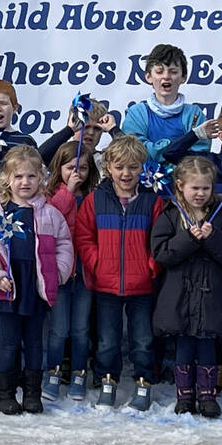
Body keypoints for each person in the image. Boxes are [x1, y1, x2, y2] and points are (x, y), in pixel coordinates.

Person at [0, 145, 75, 415]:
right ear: (7, 178)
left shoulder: (50, 213)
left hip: (36, 283)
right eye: (18, 177)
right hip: (7, 284)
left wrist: (59, 272)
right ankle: (4, 393)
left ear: (41, 178)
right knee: (8, 341)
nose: (25, 182)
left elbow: (64, 245)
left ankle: (32, 392)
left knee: (34, 341)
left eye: (31, 176)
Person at [75, 133, 165, 412]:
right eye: (120, 167)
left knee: (142, 339)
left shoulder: (153, 201)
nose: (126, 173)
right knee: (107, 339)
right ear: (108, 168)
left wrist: (151, 265)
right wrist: (97, 263)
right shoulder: (95, 199)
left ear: (143, 168)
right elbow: (83, 236)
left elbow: (159, 238)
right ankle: (107, 380)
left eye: (133, 167)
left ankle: (143, 382)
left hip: (142, 285)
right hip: (106, 284)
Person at [148, 155, 222, 417]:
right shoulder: (170, 215)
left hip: (211, 296)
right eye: (195, 188)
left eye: (206, 188)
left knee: (207, 344)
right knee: (185, 345)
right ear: (180, 186)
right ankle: (185, 395)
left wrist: (213, 238)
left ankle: (208, 395)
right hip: (179, 296)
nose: (200, 194)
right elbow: (162, 254)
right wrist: (188, 238)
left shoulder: (221, 217)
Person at [44, 138, 100, 402]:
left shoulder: (94, 197)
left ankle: (79, 372)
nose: (77, 173)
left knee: (80, 328)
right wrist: (67, 190)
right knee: (58, 328)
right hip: (60, 268)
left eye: (83, 168)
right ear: (59, 168)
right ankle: (53, 372)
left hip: (85, 270)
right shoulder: (50, 195)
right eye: (70, 167)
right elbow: (52, 218)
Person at [119, 43, 203, 159]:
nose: (166, 76)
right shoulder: (136, 114)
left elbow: (198, 157)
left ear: (183, 77)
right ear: (148, 77)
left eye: (173, 72)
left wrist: (157, 150)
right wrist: (178, 148)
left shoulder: (194, 114)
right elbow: (135, 153)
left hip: (184, 177)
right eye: (159, 72)